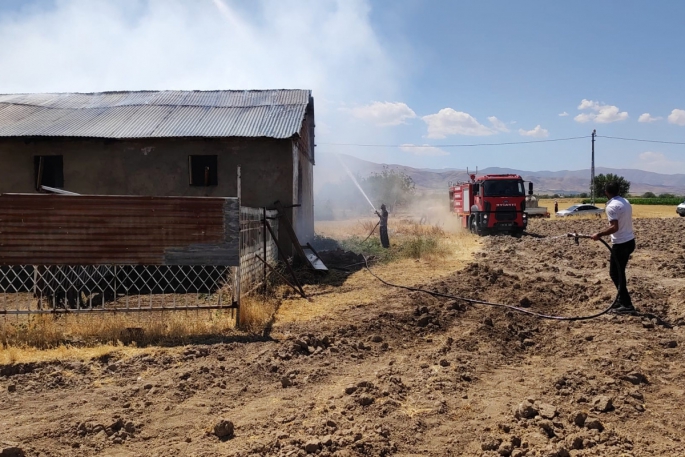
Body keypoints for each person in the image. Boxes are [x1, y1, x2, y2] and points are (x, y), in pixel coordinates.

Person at [590, 182, 636, 314]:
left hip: (621, 244)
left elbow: (614, 227)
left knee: (615, 274)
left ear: (606, 192)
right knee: (619, 273)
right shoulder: (625, 201)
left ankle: (627, 305)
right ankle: (621, 299)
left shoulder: (611, 206)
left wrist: (599, 234)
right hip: (630, 241)